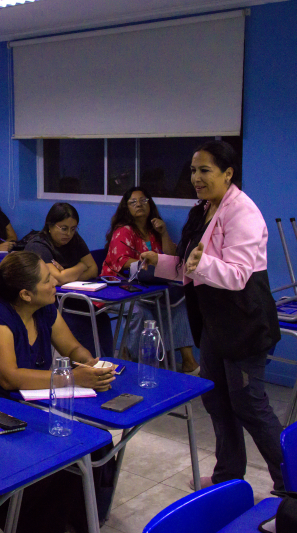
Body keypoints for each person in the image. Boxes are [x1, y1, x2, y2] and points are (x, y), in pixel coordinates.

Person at [140, 141, 283, 491]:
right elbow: (192, 268)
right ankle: (227, 479)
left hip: (245, 323)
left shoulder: (243, 213)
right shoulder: (204, 208)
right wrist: (162, 263)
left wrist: (200, 263)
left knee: (248, 404)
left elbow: (236, 275)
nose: (196, 178)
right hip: (215, 325)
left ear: (228, 173)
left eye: (205, 170)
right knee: (216, 400)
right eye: (193, 170)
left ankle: (290, 484)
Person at [0, 251, 115, 532]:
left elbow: (72, 347)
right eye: (46, 279)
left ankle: (78, 521)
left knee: (96, 442)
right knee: (58, 456)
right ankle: (22, 522)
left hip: (24, 405)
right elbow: (9, 378)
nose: (55, 280)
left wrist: (89, 363)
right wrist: (73, 378)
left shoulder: (45, 308)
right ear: (26, 294)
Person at [103, 187, 199, 374]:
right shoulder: (124, 231)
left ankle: (188, 361)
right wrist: (146, 263)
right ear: (126, 208)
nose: (139, 205)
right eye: (133, 202)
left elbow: (172, 259)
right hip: (125, 286)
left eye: (143, 200)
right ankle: (137, 361)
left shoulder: (154, 229)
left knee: (178, 304)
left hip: (152, 285)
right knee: (141, 312)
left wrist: (163, 233)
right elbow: (121, 262)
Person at [25, 203, 113, 358]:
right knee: (82, 324)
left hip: (76, 299)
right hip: (50, 304)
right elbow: (58, 279)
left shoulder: (75, 240)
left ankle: (107, 365)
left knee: (102, 320)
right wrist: (80, 266)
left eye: (73, 229)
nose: (69, 233)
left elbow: (93, 269)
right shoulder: (38, 245)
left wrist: (66, 273)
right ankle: (92, 368)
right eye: (64, 228)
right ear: (50, 226)